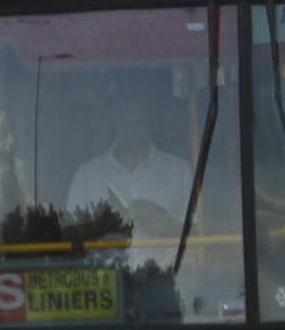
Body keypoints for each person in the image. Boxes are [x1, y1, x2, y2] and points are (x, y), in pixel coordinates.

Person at [64, 78, 196, 236]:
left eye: (139, 123)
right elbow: (71, 234)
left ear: (152, 118)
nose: (132, 131)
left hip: (170, 261)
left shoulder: (180, 171)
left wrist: (170, 228)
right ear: (113, 120)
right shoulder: (86, 176)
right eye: (124, 123)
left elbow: (199, 234)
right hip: (107, 260)